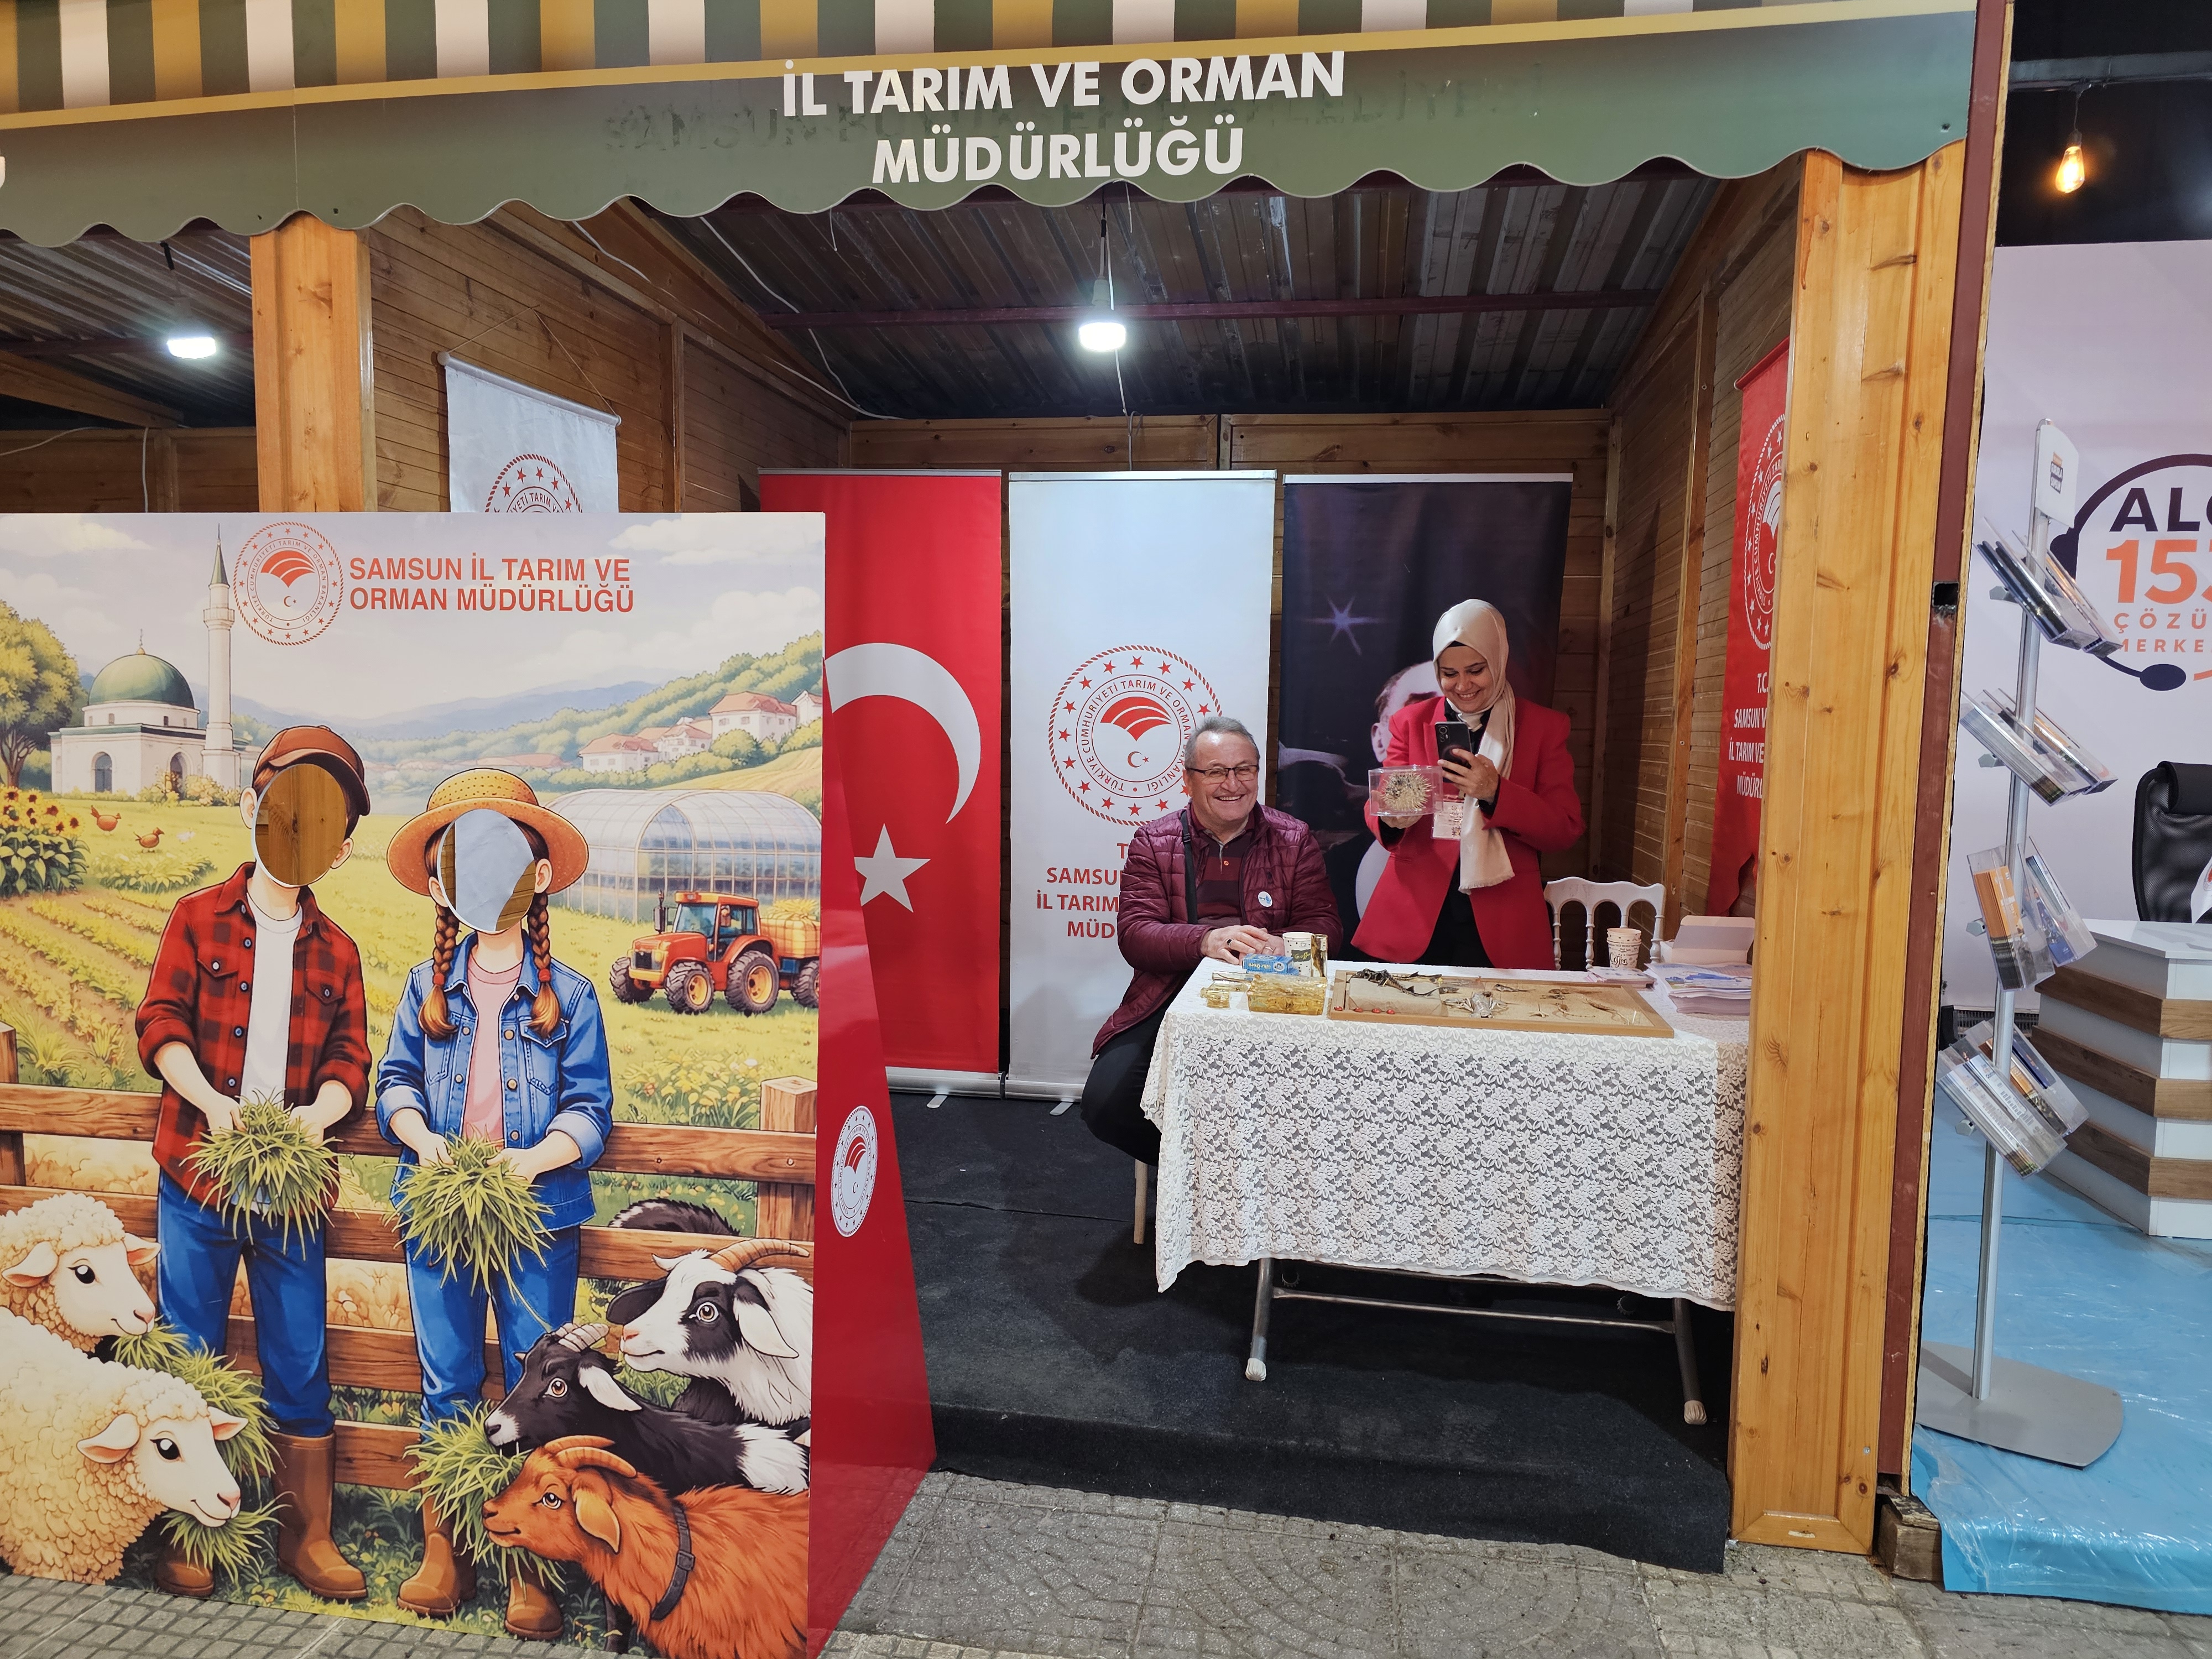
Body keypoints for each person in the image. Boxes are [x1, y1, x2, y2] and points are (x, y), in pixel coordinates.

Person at [133, 726, 373, 1603]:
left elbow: (351, 1058)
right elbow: (160, 1021)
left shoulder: (337, 949)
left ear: (340, 849)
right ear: (251, 807)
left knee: (300, 1357)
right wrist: (208, 1098)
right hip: (198, 1175)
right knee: (190, 1350)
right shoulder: (197, 917)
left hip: (291, 1192)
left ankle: (307, 1534)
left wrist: (319, 1116)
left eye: (324, 823)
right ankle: (191, 1528)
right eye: (287, 808)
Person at [375, 770, 612, 1638]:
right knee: (445, 1383)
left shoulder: (571, 997)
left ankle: (530, 1566)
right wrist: (423, 1140)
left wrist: (532, 1161)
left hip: (537, 1218)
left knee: (533, 1385)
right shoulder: (424, 987)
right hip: (440, 1212)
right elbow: (395, 1082)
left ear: (538, 876)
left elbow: (589, 1109)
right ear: (442, 884)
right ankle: (446, 1553)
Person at [1080, 716, 1340, 1165]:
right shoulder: (1154, 841)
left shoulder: (1294, 838)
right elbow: (1136, 935)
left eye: (1245, 770)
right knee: (1107, 1104)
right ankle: (1208, 1174)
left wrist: (1282, 946)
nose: (1232, 784)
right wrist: (1206, 941)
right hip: (1171, 996)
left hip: (1270, 996)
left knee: (1318, 1102)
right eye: (1216, 771)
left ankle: (1254, 1178)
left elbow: (1326, 926)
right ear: (1188, 779)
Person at [1354, 599, 1584, 969]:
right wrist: (1390, 818)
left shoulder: (1544, 728)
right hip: (1418, 915)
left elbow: (1564, 829)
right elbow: (1383, 801)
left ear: (1498, 660)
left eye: (1476, 670)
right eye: (1449, 673)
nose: (1462, 685)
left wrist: (1497, 793)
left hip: (1501, 917)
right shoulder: (1409, 722)